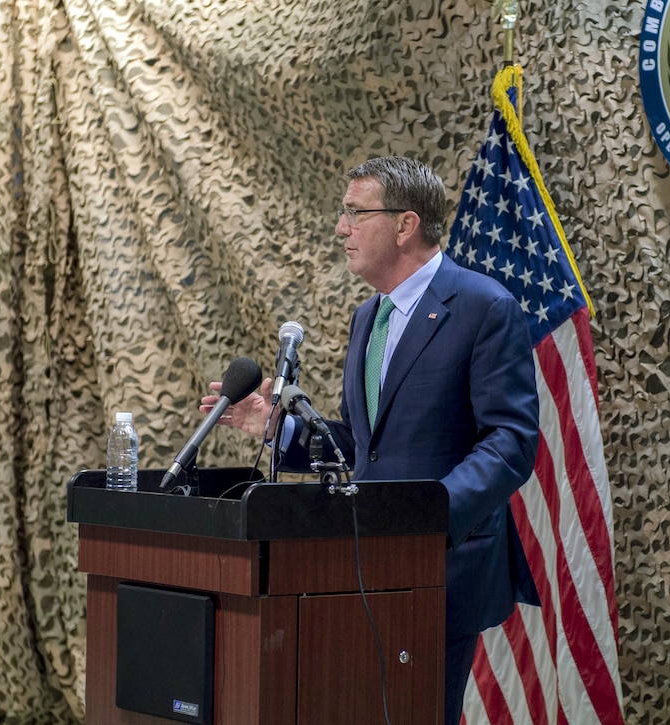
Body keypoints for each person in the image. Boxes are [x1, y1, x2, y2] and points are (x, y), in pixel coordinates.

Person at [202, 156, 541, 724]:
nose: (341, 227)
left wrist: (427, 517)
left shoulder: (484, 307)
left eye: (355, 213)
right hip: (356, 570)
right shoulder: (368, 317)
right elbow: (366, 446)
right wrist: (276, 429)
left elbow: (510, 441)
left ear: (405, 225)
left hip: (437, 566)